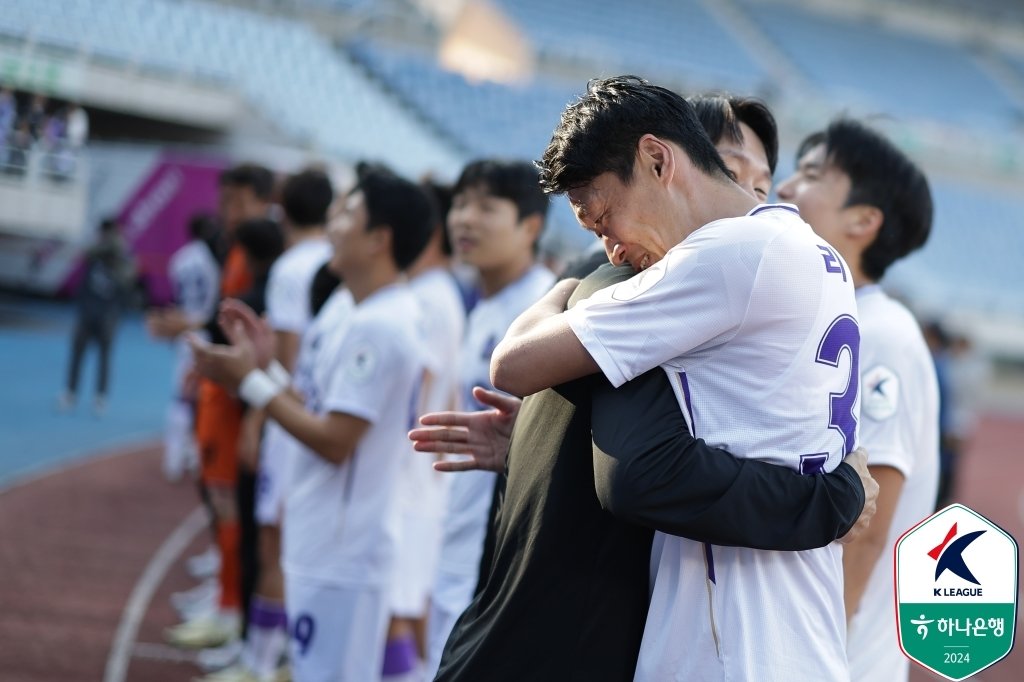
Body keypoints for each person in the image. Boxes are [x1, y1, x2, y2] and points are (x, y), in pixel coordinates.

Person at [413, 93, 875, 681]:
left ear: (658, 161)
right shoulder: (809, 250)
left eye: (604, 218)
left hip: (728, 641)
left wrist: (566, 291)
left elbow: (513, 365)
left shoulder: (724, 255)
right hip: (794, 627)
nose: (612, 251)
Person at [191, 165, 434, 682]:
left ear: (378, 239)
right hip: (323, 535)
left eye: (348, 211)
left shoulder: (381, 325)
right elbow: (314, 398)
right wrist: (261, 367)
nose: (332, 221)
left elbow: (335, 441)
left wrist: (252, 385)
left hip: (344, 548)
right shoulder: (347, 307)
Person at [777, 118, 939, 682]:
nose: (784, 188)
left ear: (864, 221)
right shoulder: (835, 317)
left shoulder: (883, 336)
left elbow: (866, 530)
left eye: (811, 174)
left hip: (836, 659)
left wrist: (810, 660)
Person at [424, 159, 555, 680]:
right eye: (459, 204)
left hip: (500, 544)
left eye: (485, 206)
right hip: (457, 522)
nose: (464, 220)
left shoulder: (546, 310)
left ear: (531, 226)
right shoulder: (483, 303)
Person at [208, 168, 334, 682]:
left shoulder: (290, 269)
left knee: (274, 541)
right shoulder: (325, 264)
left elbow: (284, 361)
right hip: (313, 413)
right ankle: (273, 655)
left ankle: (259, 661)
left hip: (291, 418)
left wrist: (257, 418)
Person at [155, 164, 275, 651]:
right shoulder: (234, 246)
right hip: (218, 389)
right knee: (219, 497)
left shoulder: (270, 252)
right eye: (225, 202)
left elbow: (245, 317)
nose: (229, 212)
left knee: (234, 505)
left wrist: (195, 327)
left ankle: (232, 611)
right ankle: (225, 598)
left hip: (236, 396)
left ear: (264, 201)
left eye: (239, 202)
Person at [382, 179, 464, 678]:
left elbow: (417, 387)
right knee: (408, 603)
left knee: (399, 606)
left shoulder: (429, 298)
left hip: (410, 473)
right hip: (420, 472)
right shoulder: (438, 292)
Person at [162, 213, 222, 482]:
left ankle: (176, 457)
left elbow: (176, 297)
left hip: (185, 332)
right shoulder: (215, 259)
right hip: (208, 330)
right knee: (203, 396)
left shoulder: (179, 259)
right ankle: (194, 455)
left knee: (182, 395)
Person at [59, 217, 136, 415]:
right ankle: (70, 393)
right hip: (87, 312)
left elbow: (128, 281)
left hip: (108, 315)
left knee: (104, 357)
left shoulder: (122, 257)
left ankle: (100, 397)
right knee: (77, 354)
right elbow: (87, 255)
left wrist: (116, 254)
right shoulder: (95, 254)